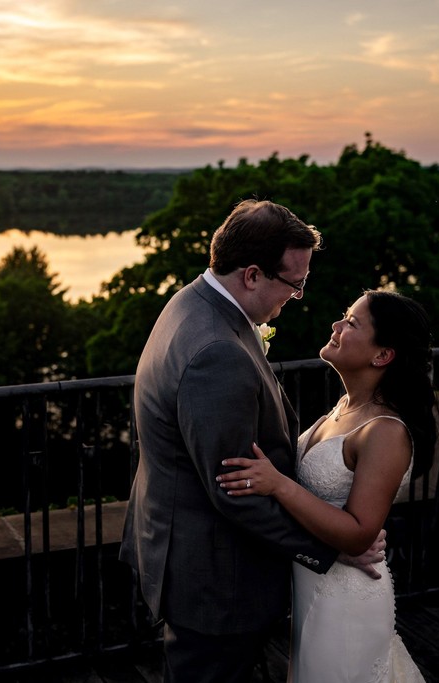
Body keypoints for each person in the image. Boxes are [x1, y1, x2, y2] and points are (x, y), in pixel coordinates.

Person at [119, 199, 385, 683]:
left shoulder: (192, 301)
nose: (298, 297)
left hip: (186, 551)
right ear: (252, 275)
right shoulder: (216, 353)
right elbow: (234, 491)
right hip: (215, 581)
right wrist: (328, 550)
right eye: (295, 285)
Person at [217, 289, 437, 682]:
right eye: (343, 315)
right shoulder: (342, 409)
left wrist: (279, 485)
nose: (336, 326)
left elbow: (357, 535)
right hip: (313, 586)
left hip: (348, 599)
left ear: (382, 355)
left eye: (352, 323)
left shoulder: (385, 431)